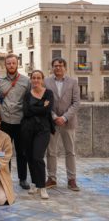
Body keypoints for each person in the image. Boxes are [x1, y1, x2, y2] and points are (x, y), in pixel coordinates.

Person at [44, 58, 81, 191]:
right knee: (51, 151)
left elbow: (76, 103)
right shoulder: (46, 82)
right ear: (52, 68)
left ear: (65, 67)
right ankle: (52, 178)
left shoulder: (73, 82)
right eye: (55, 66)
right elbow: (45, 101)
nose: (57, 68)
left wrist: (64, 117)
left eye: (60, 66)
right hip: (52, 122)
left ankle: (71, 179)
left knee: (70, 151)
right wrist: (54, 117)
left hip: (68, 122)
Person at [0, 54, 30, 190]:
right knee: (3, 152)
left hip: (20, 121)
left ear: (17, 64)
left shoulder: (26, 81)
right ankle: (5, 176)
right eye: (8, 63)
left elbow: (29, 99)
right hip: (4, 121)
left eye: (13, 63)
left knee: (22, 152)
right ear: (5, 65)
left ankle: (22, 179)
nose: (11, 65)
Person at [22, 70, 54, 199]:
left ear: (42, 79)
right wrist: (42, 106)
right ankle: (35, 183)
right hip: (28, 129)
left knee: (37, 157)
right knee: (30, 157)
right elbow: (26, 112)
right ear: (31, 79)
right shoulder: (27, 94)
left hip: (43, 129)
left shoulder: (48, 93)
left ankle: (42, 187)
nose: (36, 80)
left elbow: (48, 110)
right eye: (33, 78)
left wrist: (35, 108)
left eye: (38, 78)